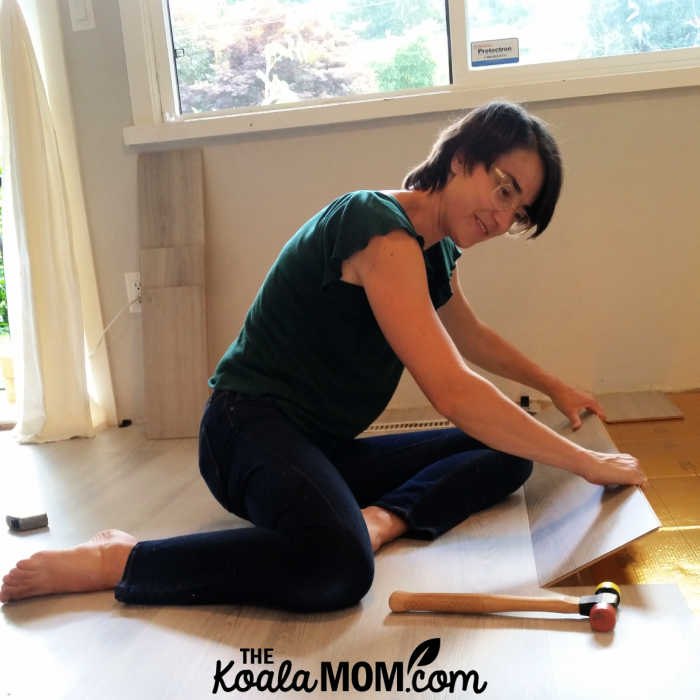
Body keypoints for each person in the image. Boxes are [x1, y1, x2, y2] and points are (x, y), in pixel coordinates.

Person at [0, 101, 645, 608]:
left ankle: (385, 519)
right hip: (244, 432)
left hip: (324, 447)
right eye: (505, 190)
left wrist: (555, 388)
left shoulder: (434, 251)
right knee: (338, 569)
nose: (505, 220)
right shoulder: (378, 227)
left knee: (512, 447)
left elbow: (471, 338)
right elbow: (450, 385)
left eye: (520, 211)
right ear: (461, 160)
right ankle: (126, 559)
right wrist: (586, 463)